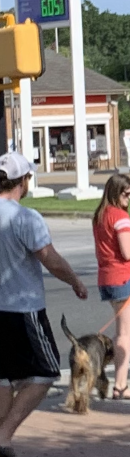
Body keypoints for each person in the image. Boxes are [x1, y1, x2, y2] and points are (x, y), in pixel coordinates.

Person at [0, 149, 88, 457]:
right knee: (45, 373)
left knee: (0, 382)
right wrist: (75, 281)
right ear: (23, 181)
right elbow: (50, 258)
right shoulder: (25, 217)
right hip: (22, 311)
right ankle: (2, 438)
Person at [91, 171, 130, 399]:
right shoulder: (120, 217)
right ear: (117, 193)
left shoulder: (100, 216)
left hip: (106, 278)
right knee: (124, 335)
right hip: (123, 277)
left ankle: (119, 383)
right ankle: (120, 385)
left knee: (121, 331)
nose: (128, 198)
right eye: (126, 194)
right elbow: (127, 252)